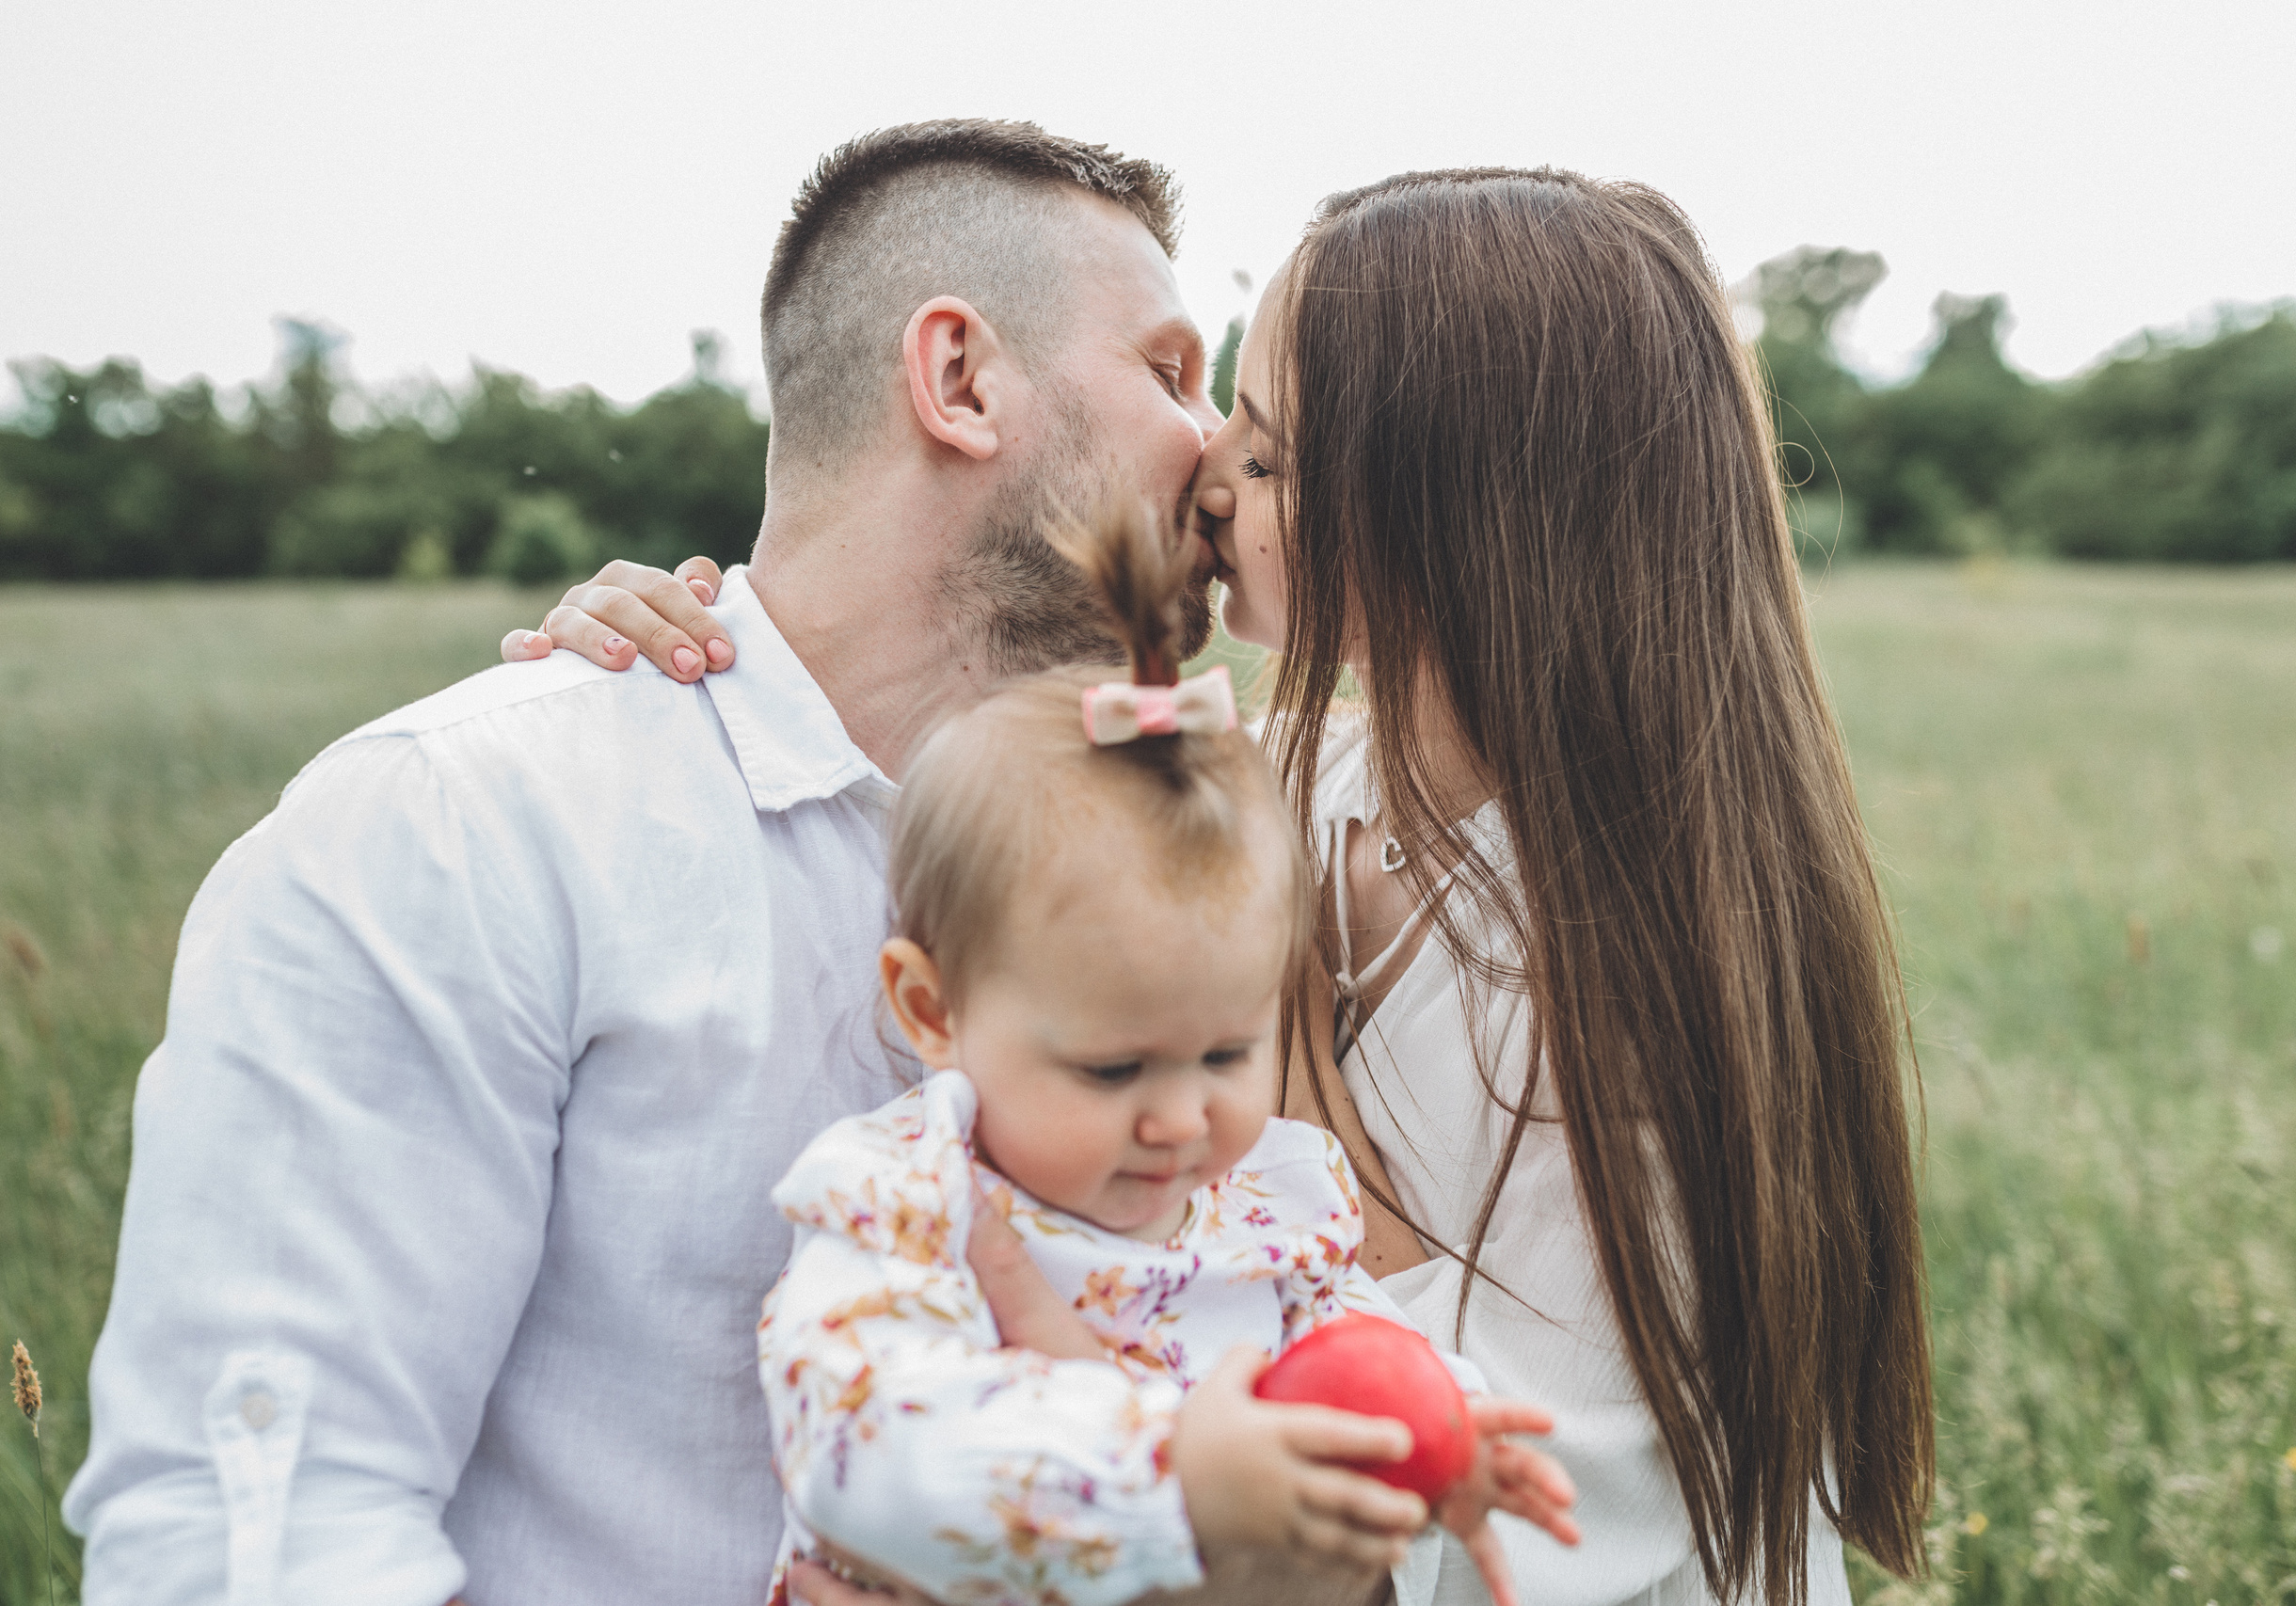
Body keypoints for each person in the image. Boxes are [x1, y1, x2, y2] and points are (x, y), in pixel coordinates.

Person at [523, 167, 1937, 1605]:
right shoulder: (1273, 782)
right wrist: (718, 639)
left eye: (1268, 455)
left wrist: (1070, 1495)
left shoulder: (1637, 980)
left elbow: (1452, 1525)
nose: (1208, 473)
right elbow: (991, 795)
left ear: (1449, 513)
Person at [63, 119, 1407, 1606]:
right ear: (960, 379)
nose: (1215, 450)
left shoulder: (1214, 831)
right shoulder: (459, 827)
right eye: (1168, 372)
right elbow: (260, 1536)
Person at [754, 509, 1578, 1606]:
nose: (1182, 1121)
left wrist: (1430, 1431)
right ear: (930, 1006)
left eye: (1229, 1052)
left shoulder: (1266, 1199)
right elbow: (865, 1460)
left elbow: (1345, 1350)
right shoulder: (906, 1206)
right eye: (1112, 1070)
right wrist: (1175, 1477)